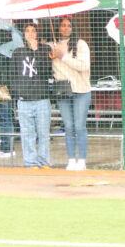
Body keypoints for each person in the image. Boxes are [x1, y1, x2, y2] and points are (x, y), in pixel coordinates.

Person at [49, 17, 91, 171]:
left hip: (81, 90)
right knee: (68, 126)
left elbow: (84, 66)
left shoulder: (81, 44)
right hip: (63, 91)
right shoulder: (52, 45)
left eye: (68, 26)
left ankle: (82, 160)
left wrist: (64, 57)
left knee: (80, 126)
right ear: (58, 28)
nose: (65, 28)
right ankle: (71, 159)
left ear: (73, 28)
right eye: (63, 25)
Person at [11, 22, 53, 169]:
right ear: (23, 34)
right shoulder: (17, 52)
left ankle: (44, 161)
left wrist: (36, 51)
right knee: (28, 134)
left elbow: (45, 70)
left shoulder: (45, 49)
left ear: (37, 33)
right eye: (27, 31)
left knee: (43, 133)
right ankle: (30, 162)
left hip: (41, 98)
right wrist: (18, 93)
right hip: (24, 100)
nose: (30, 33)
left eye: (33, 30)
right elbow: (13, 75)